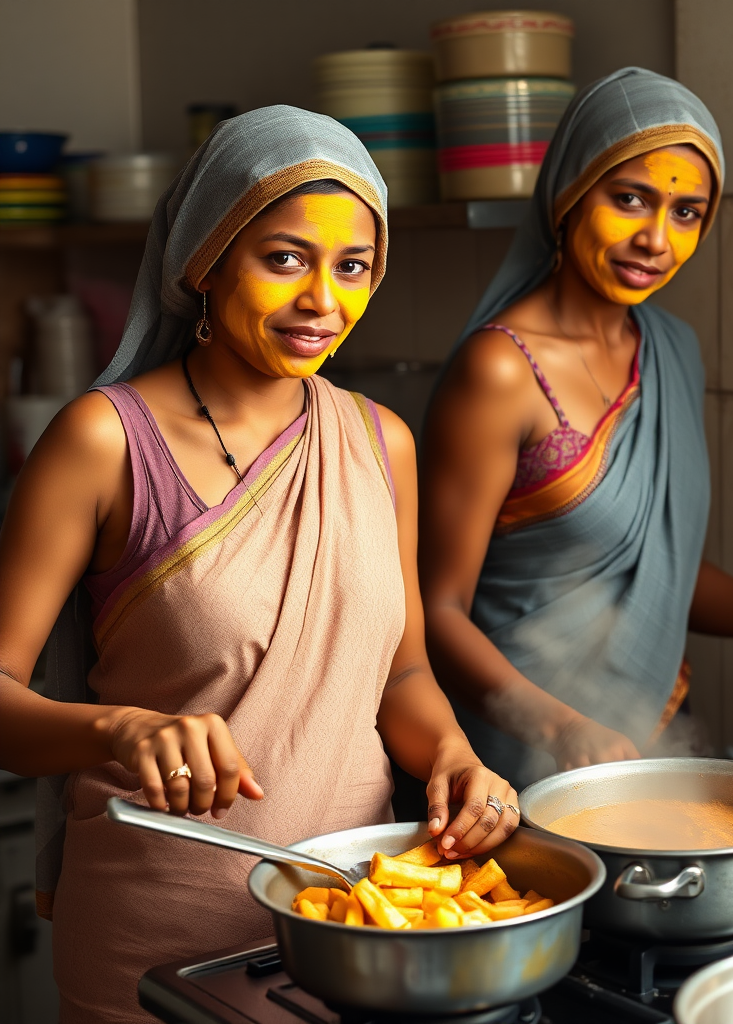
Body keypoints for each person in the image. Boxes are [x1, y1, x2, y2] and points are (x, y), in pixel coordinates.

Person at [0, 107, 518, 1023]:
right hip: (153, 947)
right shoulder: (102, 441)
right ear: (204, 260)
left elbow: (398, 670)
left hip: (352, 920)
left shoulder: (378, 442)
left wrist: (454, 755)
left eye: (351, 267)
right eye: (284, 258)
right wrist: (122, 729)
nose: (324, 300)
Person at [419, 69, 733, 790]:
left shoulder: (671, 348)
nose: (655, 238)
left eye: (686, 212)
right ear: (572, 192)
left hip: (640, 752)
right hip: (506, 768)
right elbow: (433, 608)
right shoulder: (500, 371)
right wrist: (560, 727)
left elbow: (652, 569)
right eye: (630, 198)